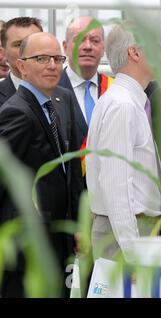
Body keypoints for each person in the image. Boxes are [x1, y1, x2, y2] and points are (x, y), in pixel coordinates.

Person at [0, 32, 79, 297]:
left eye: (58, 59)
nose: (52, 66)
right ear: (21, 66)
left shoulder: (57, 102)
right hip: (27, 246)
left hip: (56, 239)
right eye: (41, 59)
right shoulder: (17, 112)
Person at [86, 25, 161, 261]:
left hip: (127, 230)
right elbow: (116, 184)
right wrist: (132, 252)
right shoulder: (123, 105)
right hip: (125, 234)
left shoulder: (123, 100)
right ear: (136, 53)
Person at [59, 16, 113, 149]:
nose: (88, 46)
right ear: (65, 47)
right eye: (79, 40)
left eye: (95, 41)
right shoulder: (50, 89)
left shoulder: (114, 89)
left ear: (103, 48)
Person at [0, 17, 43, 106]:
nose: (28, 49)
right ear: (4, 52)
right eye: (19, 44)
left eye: (34, 42)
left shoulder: (63, 95)